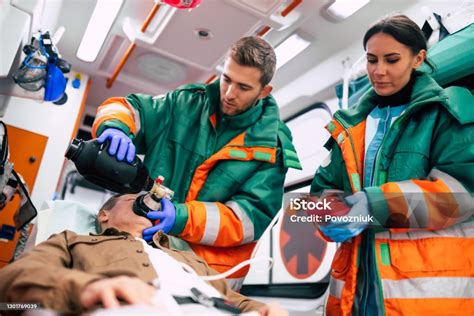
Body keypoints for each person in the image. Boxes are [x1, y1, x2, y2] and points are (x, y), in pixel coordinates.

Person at [91, 36, 301, 289]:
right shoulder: (185, 103)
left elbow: (249, 218)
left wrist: (180, 217)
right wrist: (116, 128)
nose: (229, 94)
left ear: (264, 91)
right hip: (146, 244)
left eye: (243, 88)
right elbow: (130, 108)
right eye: (226, 79)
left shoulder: (272, 147)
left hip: (206, 271)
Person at [310, 15, 474, 315]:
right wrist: (324, 215)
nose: (379, 71)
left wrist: (374, 206)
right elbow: (317, 196)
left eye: (392, 59)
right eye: (372, 60)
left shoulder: (447, 111)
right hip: (354, 294)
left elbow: (462, 194)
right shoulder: (347, 126)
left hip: (425, 297)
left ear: (418, 58)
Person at [0, 194, 287, 315]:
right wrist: (86, 288)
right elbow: (9, 284)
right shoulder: (73, 241)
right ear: (103, 215)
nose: (145, 204)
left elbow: (234, 298)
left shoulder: (184, 256)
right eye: (131, 200)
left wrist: (261, 309)